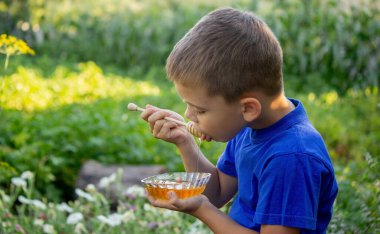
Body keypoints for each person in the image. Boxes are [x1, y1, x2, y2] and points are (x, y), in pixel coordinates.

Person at [139, 7, 338, 234]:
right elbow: (217, 193)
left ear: (248, 108)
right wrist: (185, 141)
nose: (188, 116)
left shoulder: (290, 157)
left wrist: (203, 210)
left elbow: (209, 203)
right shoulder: (249, 127)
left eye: (200, 110)